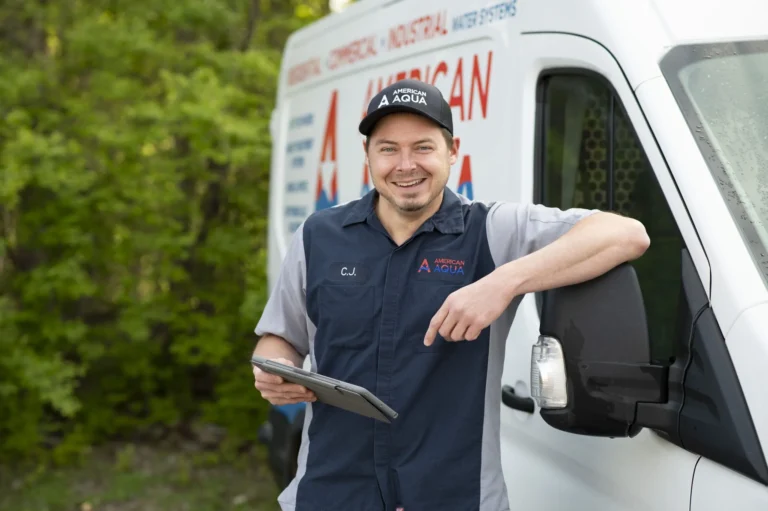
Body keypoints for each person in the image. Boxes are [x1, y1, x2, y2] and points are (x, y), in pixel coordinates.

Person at [252, 78, 650, 511]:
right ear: (367, 155)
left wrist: (502, 282)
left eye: (423, 147)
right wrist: (276, 368)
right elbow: (281, 338)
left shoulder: (492, 231)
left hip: (455, 497)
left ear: (452, 151)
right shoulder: (318, 236)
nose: (406, 165)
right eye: (388, 149)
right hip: (330, 494)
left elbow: (626, 235)